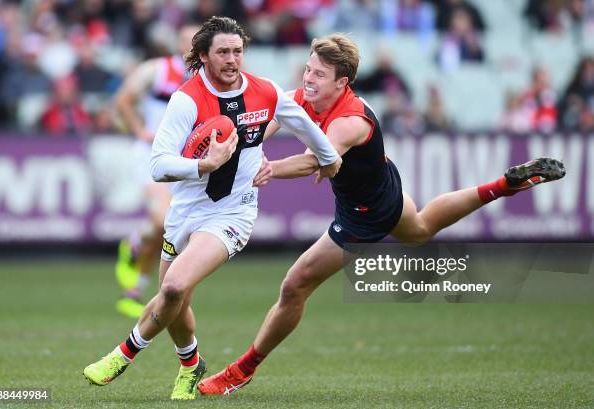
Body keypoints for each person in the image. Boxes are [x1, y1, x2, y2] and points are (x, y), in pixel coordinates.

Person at [197, 33, 566, 395]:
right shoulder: (306, 97)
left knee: (295, 286)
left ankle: (241, 371)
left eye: (318, 75)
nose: (308, 79)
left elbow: (317, 160)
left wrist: (268, 169)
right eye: (308, 70)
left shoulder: (350, 121)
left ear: (342, 82)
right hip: (380, 185)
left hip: (365, 212)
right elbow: (267, 121)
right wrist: (240, 143)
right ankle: (504, 185)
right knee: (420, 229)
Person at [83, 16, 342, 401]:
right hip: (185, 212)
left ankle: (124, 353)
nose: (232, 59)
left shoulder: (265, 92)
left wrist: (329, 159)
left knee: (173, 285)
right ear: (203, 56)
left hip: (232, 215)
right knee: (176, 300)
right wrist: (204, 164)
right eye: (222, 51)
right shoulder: (187, 100)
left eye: (238, 51)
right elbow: (158, 165)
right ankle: (191, 365)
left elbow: (305, 126)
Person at [113, 24, 199, 318]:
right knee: (164, 220)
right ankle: (138, 243)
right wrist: (140, 130)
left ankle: (135, 287)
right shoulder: (158, 70)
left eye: (196, 41)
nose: (191, 46)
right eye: (186, 40)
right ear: (177, 43)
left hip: (184, 161)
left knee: (170, 229)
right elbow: (122, 100)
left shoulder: (207, 79)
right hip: (152, 156)